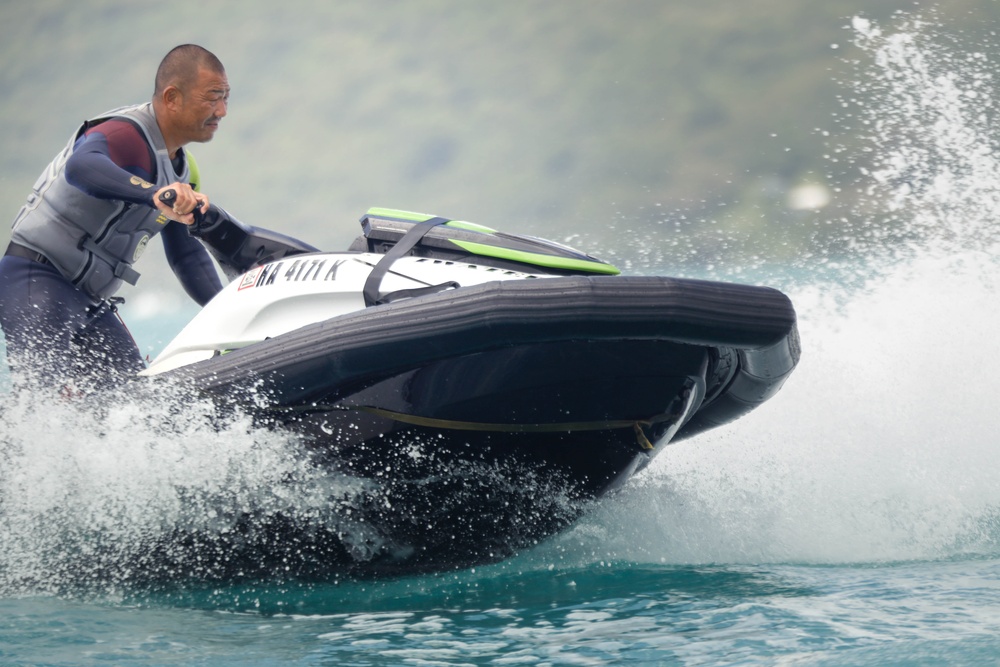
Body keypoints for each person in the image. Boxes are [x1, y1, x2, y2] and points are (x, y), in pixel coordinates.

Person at [0, 44, 229, 392]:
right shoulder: (124, 135)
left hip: (90, 303)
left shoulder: (184, 172)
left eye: (226, 98)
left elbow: (187, 257)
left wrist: (227, 316)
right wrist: (152, 193)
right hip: (37, 279)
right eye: (212, 97)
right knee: (43, 401)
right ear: (171, 97)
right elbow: (82, 166)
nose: (222, 111)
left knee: (134, 415)